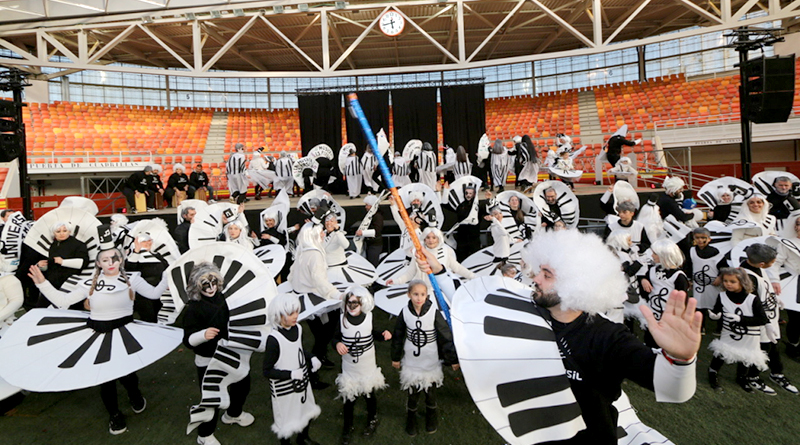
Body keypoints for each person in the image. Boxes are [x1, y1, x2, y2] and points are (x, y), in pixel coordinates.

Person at [419, 229, 700, 444]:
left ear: (575, 282)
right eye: (539, 271)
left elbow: (672, 390)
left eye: (547, 274)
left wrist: (682, 357)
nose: (535, 279)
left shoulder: (607, 337)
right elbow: (478, 309)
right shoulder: (529, 306)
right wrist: (440, 271)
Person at [28, 226, 170, 435]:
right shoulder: (88, 282)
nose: (110, 263)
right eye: (105, 260)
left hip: (125, 331)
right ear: (98, 263)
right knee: (105, 378)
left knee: (127, 372)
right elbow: (62, 301)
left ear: (120, 260)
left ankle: (134, 394)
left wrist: (167, 274)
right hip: (98, 333)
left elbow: (155, 293)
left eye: (114, 259)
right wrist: (43, 284)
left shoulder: (133, 278)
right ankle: (114, 414)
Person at [182, 262, 256, 445]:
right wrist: (202, 335)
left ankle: (233, 414)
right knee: (212, 398)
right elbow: (187, 339)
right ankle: (204, 435)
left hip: (232, 353)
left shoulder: (224, 298)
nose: (211, 287)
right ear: (196, 284)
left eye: (214, 282)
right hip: (208, 360)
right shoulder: (192, 308)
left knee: (242, 385)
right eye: (205, 283)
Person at [391, 280, 459, 437]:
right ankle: (411, 418)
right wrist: (395, 357)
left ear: (427, 296)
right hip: (411, 361)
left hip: (430, 360)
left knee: (430, 392)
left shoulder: (434, 312)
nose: (419, 298)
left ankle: (431, 416)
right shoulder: (404, 312)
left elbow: (445, 337)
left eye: (422, 294)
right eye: (415, 294)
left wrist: (453, 359)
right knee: (413, 392)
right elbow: (398, 336)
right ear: (409, 295)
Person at [332, 286, 390, 444]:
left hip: (367, 366)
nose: (351, 307)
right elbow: (335, 337)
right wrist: (337, 344)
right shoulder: (341, 319)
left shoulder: (369, 317)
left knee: (369, 395)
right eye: (349, 303)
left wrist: (383, 335)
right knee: (349, 399)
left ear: (363, 303)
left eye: (355, 304)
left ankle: (372, 419)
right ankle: (347, 426)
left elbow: (373, 332)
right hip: (349, 368)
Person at [263, 293, 322, 445]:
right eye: (290, 313)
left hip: (302, 383)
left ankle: (303, 438)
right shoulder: (273, 340)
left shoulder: (299, 328)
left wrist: (311, 357)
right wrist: (290, 374)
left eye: (296, 311)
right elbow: (267, 371)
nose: (296, 316)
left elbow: (299, 349)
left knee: (307, 410)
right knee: (286, 422)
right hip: (284, 389)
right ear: (278, 315)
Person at [739, 243, 798, 395]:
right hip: (761, 321)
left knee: (773, 346)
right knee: (762, 349)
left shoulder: (757, 267)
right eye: (773, 261)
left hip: (770, 316)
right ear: (762, 263)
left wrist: (774, 298)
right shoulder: (747, 276)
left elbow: (764, 288)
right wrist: (766, 324)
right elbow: (754, 303)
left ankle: (776, 373)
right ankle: (753, 376)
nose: (774, 263)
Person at [707, 267, 769, 393]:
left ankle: (741, 378)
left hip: (749, 336)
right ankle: (712, 373)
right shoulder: (722, 296)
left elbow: (762, 319)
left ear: (743, 282)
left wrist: (740, 319)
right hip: (728, 333)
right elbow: (716, 310)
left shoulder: (752, 299)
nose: (728, 284)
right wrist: (714, 315)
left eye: (732, 281)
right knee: (721, 352)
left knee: (745, 356)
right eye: (725, 281)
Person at [640, 239, 689, 347]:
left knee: (665, 345)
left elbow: (682, 301)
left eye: (655, 253)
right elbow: (644, 292)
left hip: (668, 318)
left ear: (664, 255)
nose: (652, 256)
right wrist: (643, 280)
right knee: (649, 342)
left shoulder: (679, 276)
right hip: (653, 314)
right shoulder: (652, 270)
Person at [386, 227, 474, 285]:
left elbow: (458, 268)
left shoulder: (446, 251)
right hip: (422, 292)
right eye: (428, 238)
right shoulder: (418, 253)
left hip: (440, 291)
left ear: (439, 239)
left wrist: (473, 277)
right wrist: (396, 281)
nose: (431, 240)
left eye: (434, 237)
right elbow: (410, 273)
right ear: (424, 239)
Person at [36, 221, 89, 309]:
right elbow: (48, 264)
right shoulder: (52, 245)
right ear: (54, 233)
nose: (62, 234)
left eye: (65, 231)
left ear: (69, 231)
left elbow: (84, 263)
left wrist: (63, 262)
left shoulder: (78, 244)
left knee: (70, 310)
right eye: (58, 231)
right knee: (43, 308)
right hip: (52, 282)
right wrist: (41, 266)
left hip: (70, 284)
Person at [684, 227, 725, 334]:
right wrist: (689, 279)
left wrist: (720, 277)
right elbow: (688, 266)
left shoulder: (716, 252)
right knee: (699, 306)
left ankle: (719, 328)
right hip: (698, 284)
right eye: (697, 238)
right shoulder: (692, 251)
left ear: (709, 239)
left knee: (717, 305)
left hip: (714, 284)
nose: (700, 240)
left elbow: (724, 267)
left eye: (703, 238)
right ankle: (700, 327)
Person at [125, 234, 168, 323]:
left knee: (159, 315)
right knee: (149, 317)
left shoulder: (157, 255)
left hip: (160, 290)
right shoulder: (133, 256)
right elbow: (129, 269)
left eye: (149, 240)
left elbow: (167, 268)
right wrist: (136, 251)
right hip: (143, 294)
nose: (148, 243)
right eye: (144, 241)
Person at [357, 195, 384, 267]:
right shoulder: (371, 215)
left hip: (375, 244)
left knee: (373, 263)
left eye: (367, 205)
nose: (366, 207)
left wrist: (362, 233)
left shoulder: (377, 216)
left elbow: (377, 231)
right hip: (370, 243)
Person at [485, 205, 510, 269]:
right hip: (500, 255)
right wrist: (494, 220)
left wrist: (516, 240)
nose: (499, 216)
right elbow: (504, 233)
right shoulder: (494, 227)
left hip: (505, 254)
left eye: (500, 213)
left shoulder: (502, 225)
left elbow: (508, 237)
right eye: (496, 214)